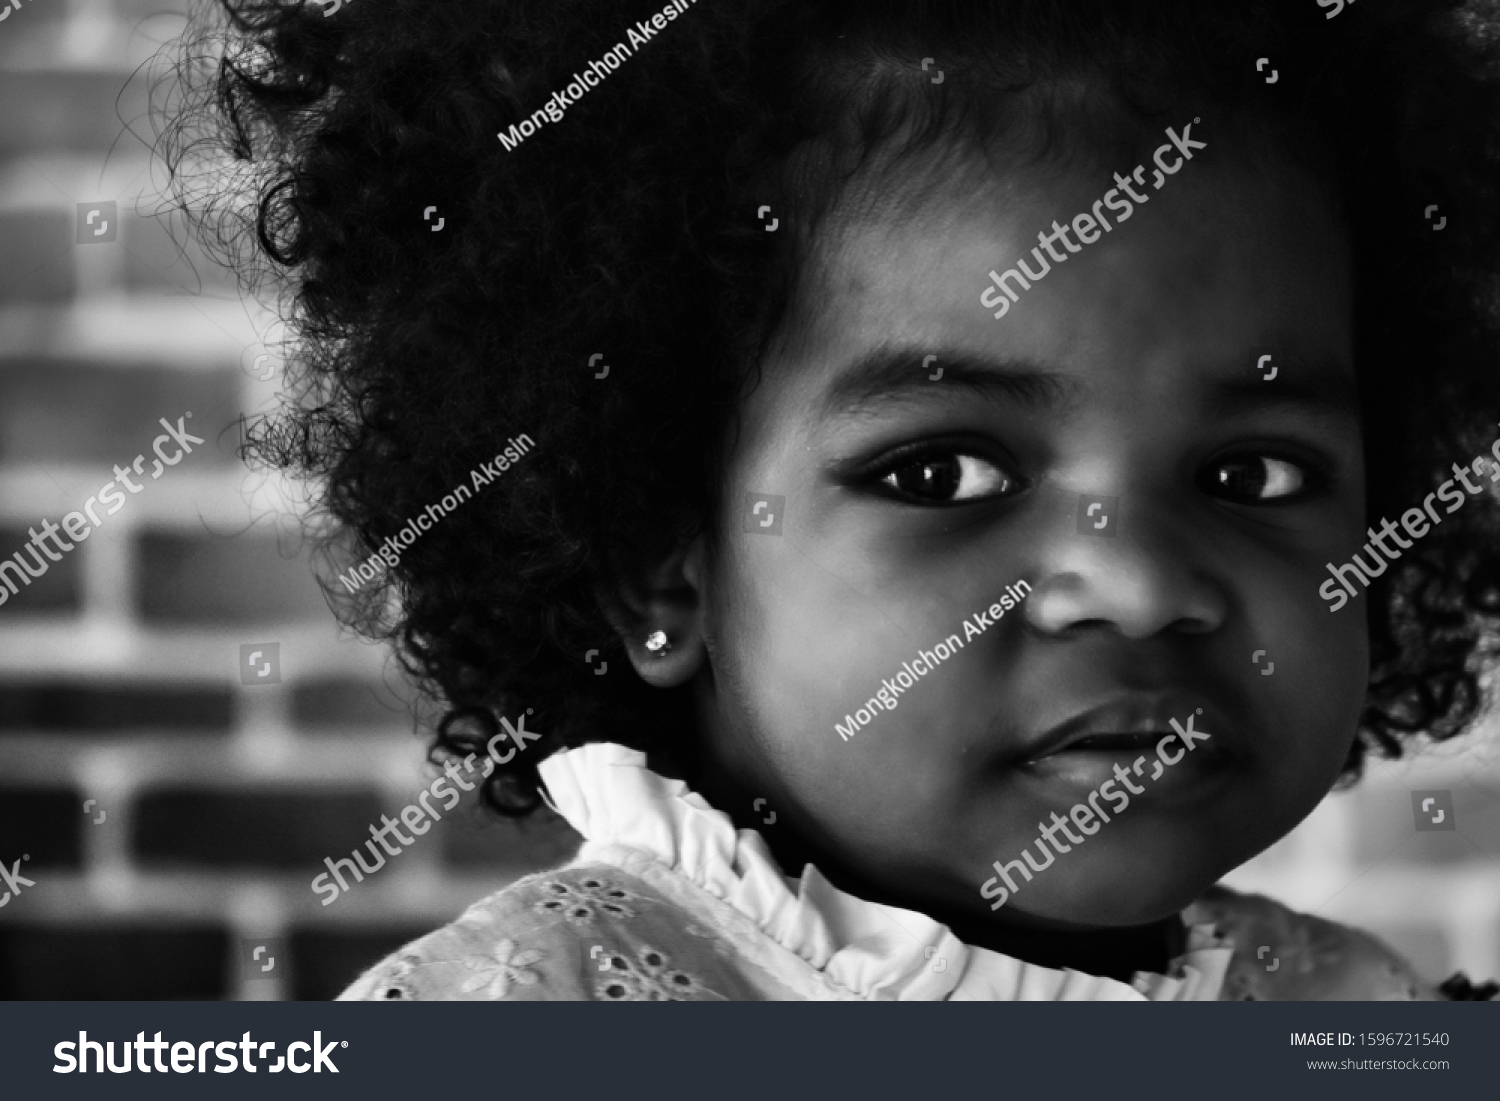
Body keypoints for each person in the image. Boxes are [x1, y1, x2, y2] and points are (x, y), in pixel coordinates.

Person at [166, 0, 1500, 1000]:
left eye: (1251, 475)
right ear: (657, 559)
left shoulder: (1353, 1005)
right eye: (942, 474)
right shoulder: (525, 1014)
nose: (1144, 581)